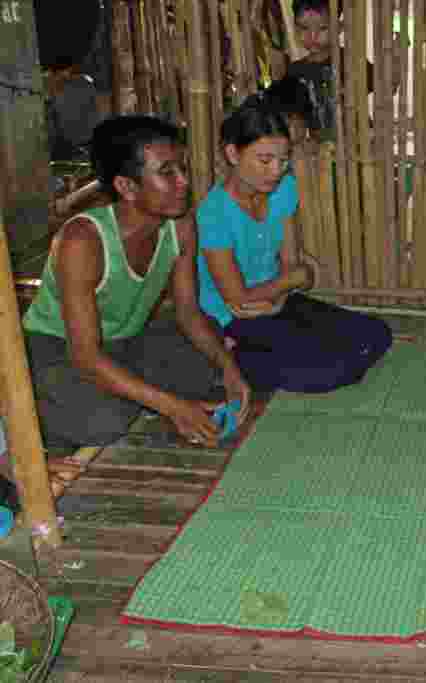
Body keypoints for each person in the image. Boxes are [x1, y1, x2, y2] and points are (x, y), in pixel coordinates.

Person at [21, 115, 251, 453]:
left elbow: (188, 312)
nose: (184, 182)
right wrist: (172, 406)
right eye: (167, 172)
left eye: (183, 169)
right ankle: (23, 407)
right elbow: (85, 355)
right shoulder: (83, 239)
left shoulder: (181, 225)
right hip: (58, 349)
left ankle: (127, 391)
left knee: (205, 360)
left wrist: (230, 370)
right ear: (126, 187)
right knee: (104, 422)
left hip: (125, 341)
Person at [196, 99, 392, 394]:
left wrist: (284, 287)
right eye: (264, 160)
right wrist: (291, 281)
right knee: (327, 371)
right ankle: (227, 356)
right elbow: (238, 297)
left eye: (284, 160)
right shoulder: (214, 213)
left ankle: (264, 357)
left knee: (377, 333)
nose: (276, 170)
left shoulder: (283, 189)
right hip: (232, 318)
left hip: (278, 300)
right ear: (233, 153)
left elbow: (291, 262)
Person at [286, 0, 397, 133]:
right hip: (322, 148)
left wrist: (395, 58)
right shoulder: (295, 71)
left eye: (322, 28)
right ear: (295, 28)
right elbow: (296, 119)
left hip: (360, 143)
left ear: (338, 28)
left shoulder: (352, 61)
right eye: (304, 28)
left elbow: (387, 88)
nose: (312, 36)